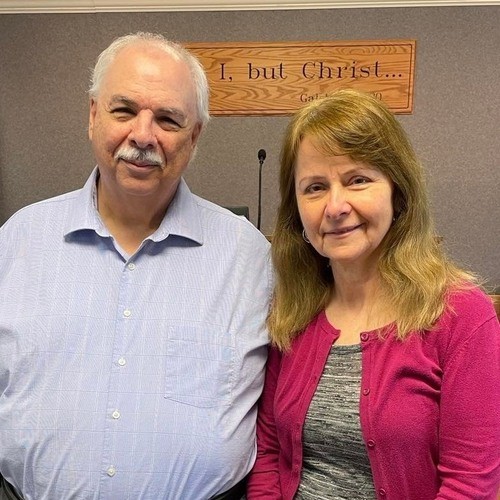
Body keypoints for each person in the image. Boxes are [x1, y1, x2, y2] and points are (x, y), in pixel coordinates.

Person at [0, 32, 272, 500]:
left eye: (167, 119)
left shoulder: (249, 259)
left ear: (194, 135)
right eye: (124, 110)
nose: (143, 136)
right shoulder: (16, 242)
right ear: (93, 115)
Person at [246, 89, 500, 499]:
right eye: (314, 187)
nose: (335, 206)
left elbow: (471, 484)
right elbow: (270, 454)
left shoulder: (461, 314)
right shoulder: (292, 312)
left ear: (398, 191)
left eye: (358, 180)